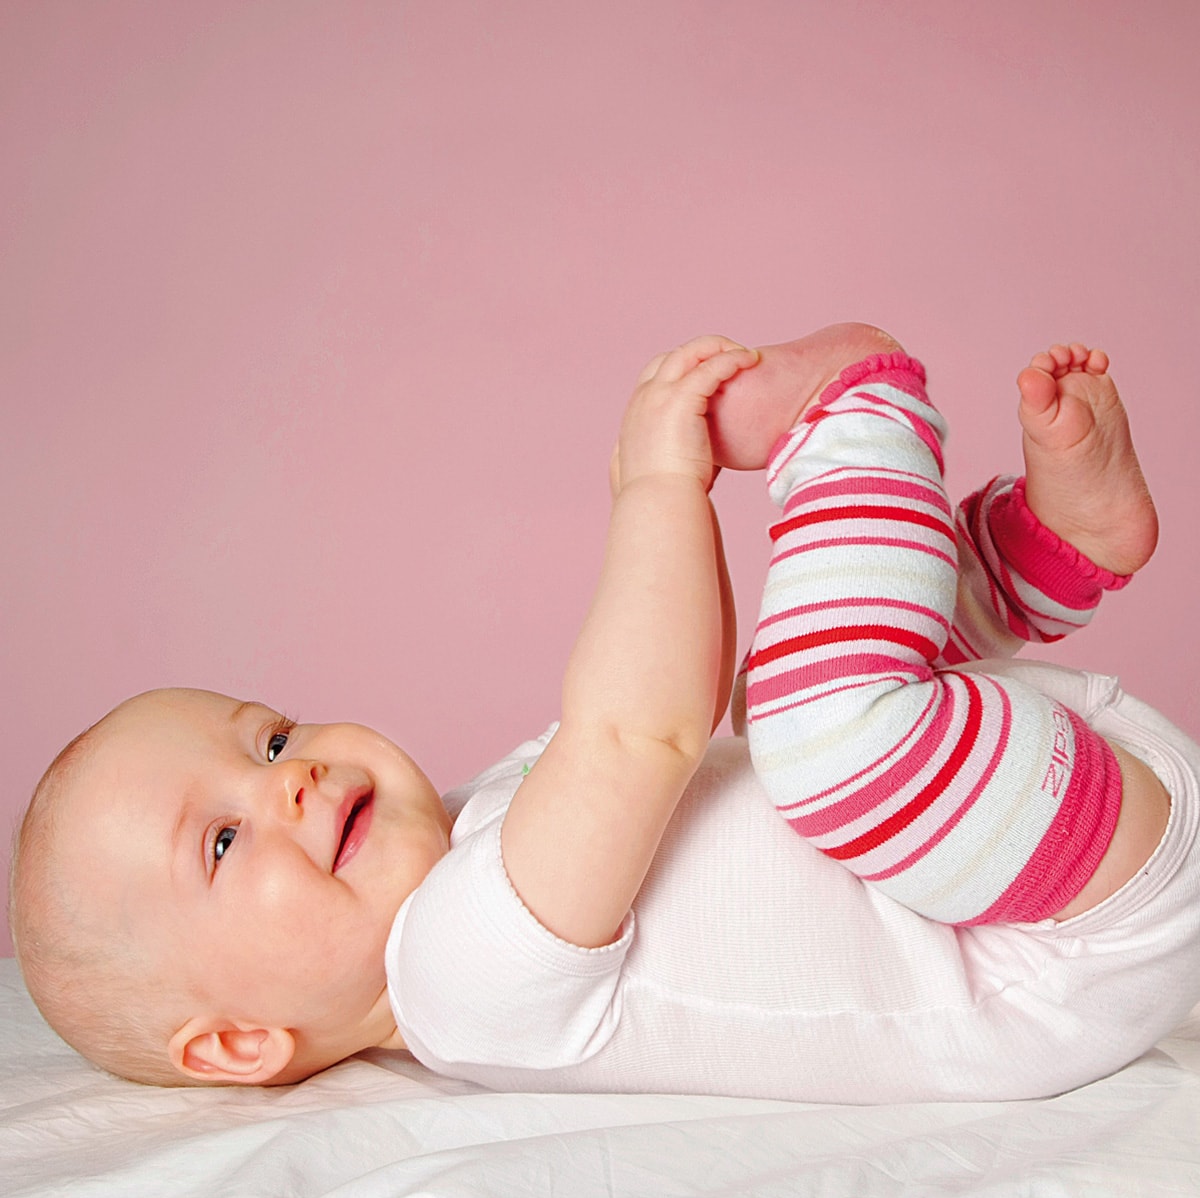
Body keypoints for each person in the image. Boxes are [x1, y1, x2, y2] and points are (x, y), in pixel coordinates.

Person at [9, 325, 1198, 1102]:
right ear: (236, 1044)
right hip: (1070, 932)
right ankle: (859, 420)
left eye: (269, 739)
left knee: (789, 719)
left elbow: (690, 727)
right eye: (222, 841)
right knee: (820, 739)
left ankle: (1042, 559)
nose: (289, 783)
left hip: (1024, 824)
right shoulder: (453, 981)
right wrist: (656, 490)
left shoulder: (486, 828)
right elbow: (641, 728)